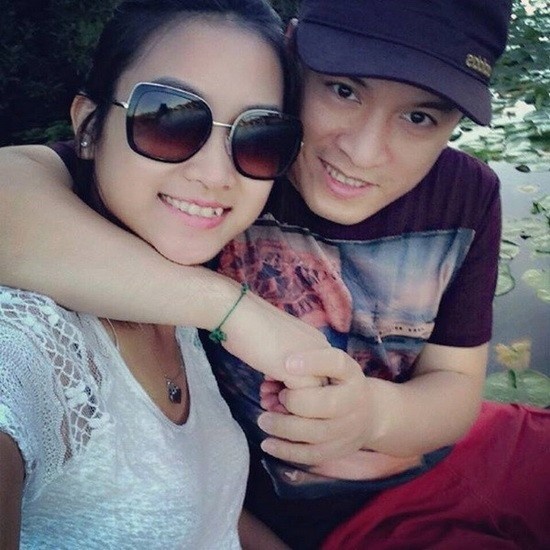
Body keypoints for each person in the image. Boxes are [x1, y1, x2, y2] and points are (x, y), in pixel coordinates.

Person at [1, 0, 548, 548]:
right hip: (289, 509)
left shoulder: (462, 195)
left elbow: (456, 382)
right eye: (343, 90)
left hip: (420, 460)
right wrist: (233, 311)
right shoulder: (223, 170)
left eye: (419, 117)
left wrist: (373, 416)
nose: (363, 153)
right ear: (294, 57)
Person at [0, 0, 330, 547]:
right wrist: (232, 309)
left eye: (260, 135)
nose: (215, 174)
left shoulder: (170, 290)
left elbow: (210, 514)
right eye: (167, 118)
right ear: (88, 126)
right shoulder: (25, 343)